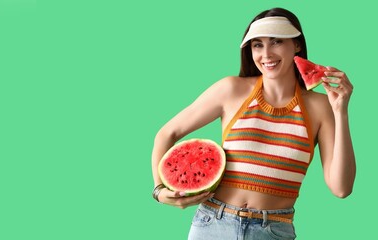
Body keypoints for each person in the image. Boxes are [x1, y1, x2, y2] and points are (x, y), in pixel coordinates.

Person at [150, 7, 356, 240]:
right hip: (212, 224)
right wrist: (160, 190)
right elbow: (167, 133)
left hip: (273, 230)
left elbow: (341, 188)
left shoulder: (320, 107)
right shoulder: (230, 90)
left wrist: (341, 112)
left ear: (297, 44)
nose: (266, 54)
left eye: (276, 41)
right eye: (257, 45)